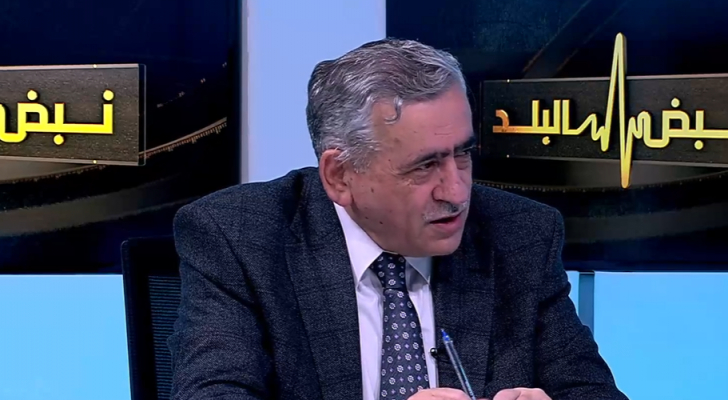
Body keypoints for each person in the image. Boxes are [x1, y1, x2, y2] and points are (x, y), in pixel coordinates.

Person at [168, 38, 629, 400]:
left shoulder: (519, 234)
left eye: (463, 154)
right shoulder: (240, 237)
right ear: (340, 175)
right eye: (425, 166)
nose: (456, 192)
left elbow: (590, 392)